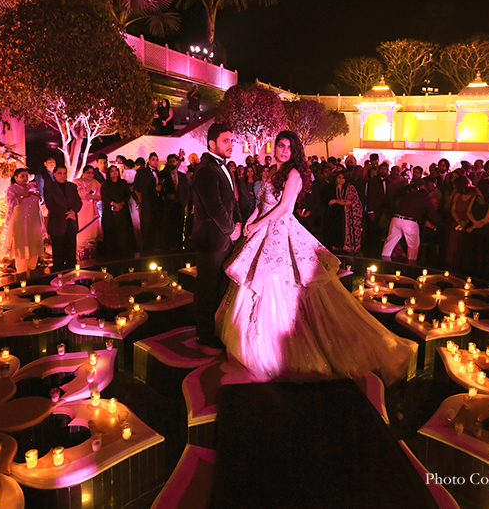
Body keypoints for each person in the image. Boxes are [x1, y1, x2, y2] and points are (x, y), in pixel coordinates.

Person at [217, 131, 416, 383]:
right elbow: (264, 202)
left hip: (279, 232)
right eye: (280, 146)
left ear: (295, 151)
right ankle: (250, 341)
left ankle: (277, 349)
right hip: (263, 228)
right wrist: (251, 219)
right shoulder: (272, 173)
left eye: (289, 147)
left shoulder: (293, 174)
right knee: (255, 283)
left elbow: (283, 208)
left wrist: (258, 225)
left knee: (278, 284)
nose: (283, 151)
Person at [192, 123, 242, 352]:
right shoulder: (204, 170)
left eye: (232, 140)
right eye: (226, 140)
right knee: (207, 290)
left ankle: (217, 329)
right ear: (212, 143)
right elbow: (215, 208)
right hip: (211, 240)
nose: (231, 144)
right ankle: (204, 334)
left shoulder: (226, 168)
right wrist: (231, 228)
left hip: (225, 238)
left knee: (221, 288)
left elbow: (232, 201)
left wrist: (239, 222)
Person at [381, 181, 443, 263]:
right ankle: (411, 265)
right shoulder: (425, 199)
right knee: (413, 246)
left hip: (396, 219)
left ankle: (383, 263)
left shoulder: (408, 196)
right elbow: (433, 214)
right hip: (409, 222)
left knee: (390, 243)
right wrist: (442, 223)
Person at [6, 168, 44, 274]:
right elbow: (10, 203)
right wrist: (22, 196)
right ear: (16, 178)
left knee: (34, 243)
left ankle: (32, 268)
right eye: (22, 176)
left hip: (34, 221)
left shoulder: (31, 186)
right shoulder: (12, 189)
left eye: (26, 176)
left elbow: (40, 200)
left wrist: (38, 196)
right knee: (22, 245)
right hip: (21, 222)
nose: (25, 178)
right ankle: (22, 272)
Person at [44, 166, 82, 272]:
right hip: (57, 224)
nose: (62, 175)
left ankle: (72, 278)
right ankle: (59, 279)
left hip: (71, 223)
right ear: (54, 174)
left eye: (64, 173)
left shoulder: (72, 186)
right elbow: (50, 205)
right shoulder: (49, 188)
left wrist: (73, 212)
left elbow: (78, 202)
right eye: (60, 173)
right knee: (58, 254)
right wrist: (66, 214)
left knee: (71, 253)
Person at [322, 169, 363, 255]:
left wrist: (337, 201)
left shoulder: (349, 188)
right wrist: (338, 201)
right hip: (333, 215)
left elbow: (351, 201)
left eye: (343, 178)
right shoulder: (330, 187)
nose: (340, 180)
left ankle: (345, 248)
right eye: (339, 177)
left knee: (344, 231)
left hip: (347, 216)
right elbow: (328, 201)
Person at [101, 166, 136, 260]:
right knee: (111, 234)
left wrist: (121, 204)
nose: (114, 173)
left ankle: (125, 255)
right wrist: (113, 203)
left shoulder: (123, 183)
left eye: (116, 170)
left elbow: (127, 195)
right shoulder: (105, 184)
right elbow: (104, 197)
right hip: (110, 212)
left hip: (123, 211)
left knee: (124, 233)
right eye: (112, 171)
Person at [159, 153, 189, 252]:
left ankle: (179, 245)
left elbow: (186, 188)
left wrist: (184, 200)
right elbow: (160, 188)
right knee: (169, 224)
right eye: (170, 162)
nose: (173, 163)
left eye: (174, 161)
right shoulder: (164, 174)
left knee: (180, 224)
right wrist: (167, 194)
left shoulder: (181, 174)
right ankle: (169, 246)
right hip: (168, 203)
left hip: (180, 203)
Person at [134, 152, 162, 255]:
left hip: (157, 203)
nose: (155, 162)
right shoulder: (143, 172)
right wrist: (154, 189)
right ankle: (146, 249)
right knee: (147, 225)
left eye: (156, 160)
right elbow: (139, 186)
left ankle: (155, 246)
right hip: (147, 202)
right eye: (153, 160)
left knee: (155, 225)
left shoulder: (158, 172)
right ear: (149, 161)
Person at [75, 165, 102, 257]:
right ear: (83, 173)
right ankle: (80, 252)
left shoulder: (96, 183)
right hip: (80, 210)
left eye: (92, 173)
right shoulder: (77, 182)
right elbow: (76, 194)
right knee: (81, 229)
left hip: (92, 210)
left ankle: (90, 252)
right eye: (88, 173)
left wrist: (94, 197)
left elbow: (100, 196)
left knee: (91, 230)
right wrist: (86, 196)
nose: (90, 175)